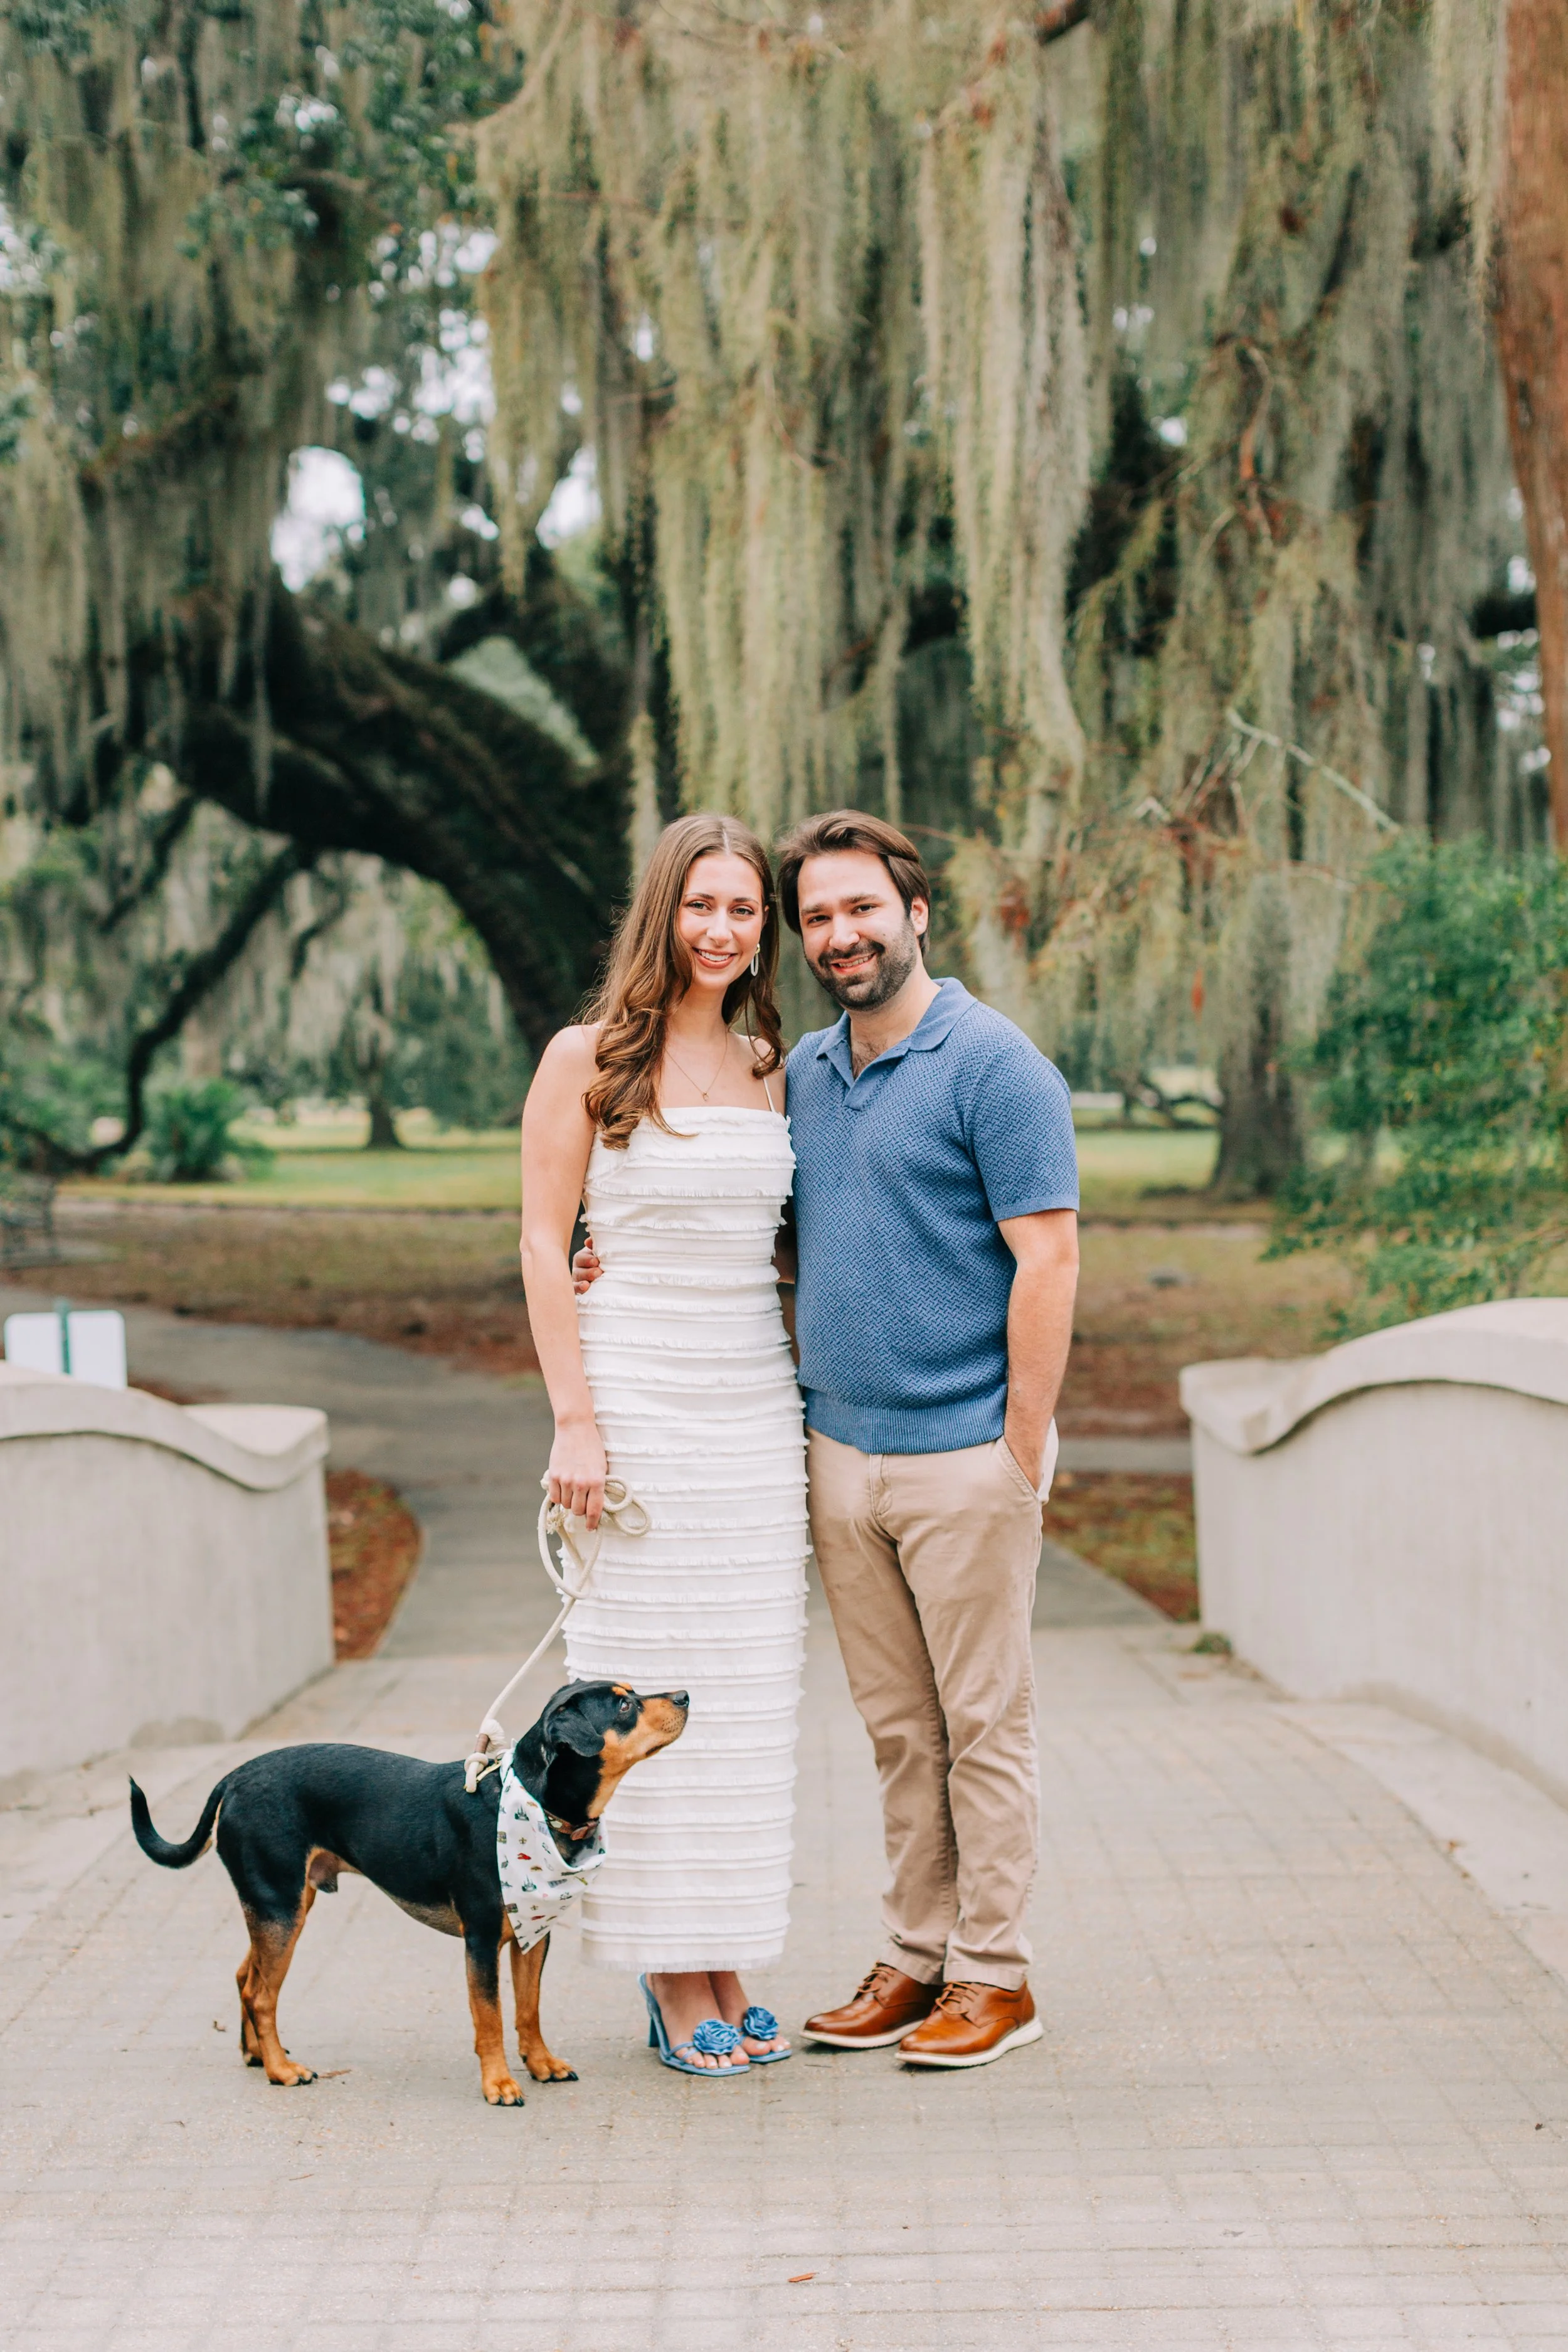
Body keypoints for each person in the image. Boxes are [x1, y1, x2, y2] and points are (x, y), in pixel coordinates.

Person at [776, 810, 1079, 2070]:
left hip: (964, 1456)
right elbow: (783, 1238)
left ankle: (994, 1976)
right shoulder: (799, 1070)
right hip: (838, 1457)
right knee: (901, 1734)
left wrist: (1015, 1447)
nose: (840, 935)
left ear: (911, 913)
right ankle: (913, 1958)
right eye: (817, 919)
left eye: (860, 909)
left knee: (980, 1727)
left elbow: (1048, 1256)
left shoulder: (992, 1066)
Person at [519, 812, 807, 2075]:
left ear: (763, 930)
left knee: (737, 1703)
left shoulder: (771, 1065)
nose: (721, 931)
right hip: (633, 1408)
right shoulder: (586, 1057)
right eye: (701, 906)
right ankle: (663, 1974)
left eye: (744, 911)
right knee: (639, 1690)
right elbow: (541, 1241)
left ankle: (724, 1953)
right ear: (661, 912)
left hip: (751, 1410)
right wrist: (575, 1418)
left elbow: (789, 1245)